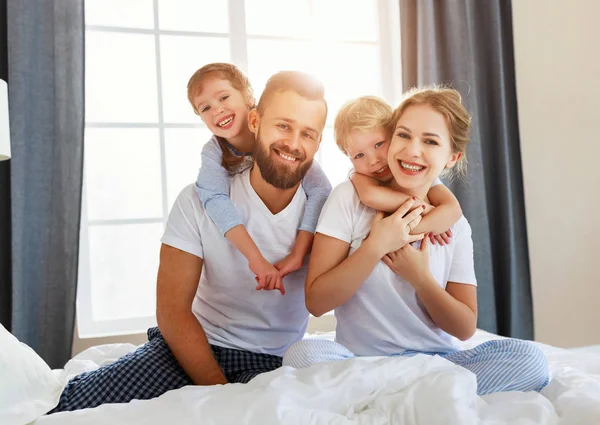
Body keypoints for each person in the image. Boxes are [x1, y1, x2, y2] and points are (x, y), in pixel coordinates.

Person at [49, 70, 329, 413]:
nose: (293, 143)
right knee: (70, 407)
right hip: (194, 347)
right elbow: (172, 311)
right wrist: (219, 392)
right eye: (283, 126)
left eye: (308, 134)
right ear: (255, 121)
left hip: (273, 363)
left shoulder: (327, 209)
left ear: (318, 143)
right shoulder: (200, 197)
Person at [282, 86, 550, 396]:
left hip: (436, 362)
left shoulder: (453, 223)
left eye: (430, 141)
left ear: (452, 157)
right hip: (361, 361)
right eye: (404, 135)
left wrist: (421, 279)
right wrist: (374, 247)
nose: (411, 150)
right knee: (301, 356)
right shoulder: (349, 198)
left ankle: (389, 396)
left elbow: (464, 328)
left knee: (530, 361)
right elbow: (316, 303)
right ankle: (421, 395)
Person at [189, 63, 332, 294]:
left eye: (224, 97)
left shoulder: (279, 141)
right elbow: (214, 197)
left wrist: (298, 254)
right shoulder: (214, 152)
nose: (217, 110)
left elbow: (321, 191)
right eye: (205, 108)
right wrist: (255, 259)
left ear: (248, 97)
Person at [334, 95, 462, 245]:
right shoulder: (356, 182)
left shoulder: (423, 178)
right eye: (359, 155)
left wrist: (428, 225)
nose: (373, 160)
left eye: (379, 145)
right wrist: (426, 210)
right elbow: (370, 196)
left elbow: (453, 210)